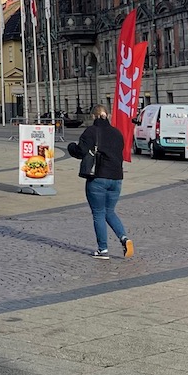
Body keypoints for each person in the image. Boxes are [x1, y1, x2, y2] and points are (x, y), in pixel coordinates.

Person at [69, 107, 134, 260]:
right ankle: (124, 238)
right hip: (116, 178)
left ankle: (103, 249)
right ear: (108, 115)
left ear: (93, 116)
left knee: (98, 213)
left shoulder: (91, 131)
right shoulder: (117, 133)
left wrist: (71, 146)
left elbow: (80, 151)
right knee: (109, 211)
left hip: (98, 177)